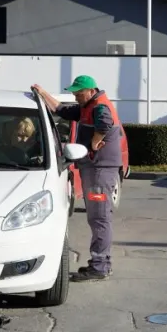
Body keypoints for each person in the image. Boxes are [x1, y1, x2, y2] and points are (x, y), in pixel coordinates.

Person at [32, 76, 122, 282]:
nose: (76, 97)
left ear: (91, 91)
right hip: (96, 168)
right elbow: (61, 110)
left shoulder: (99, 107)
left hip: (100, 170)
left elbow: (104, 124)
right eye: (74, 93)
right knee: (98, 217)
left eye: (79, 93)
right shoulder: (87, 106)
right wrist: (43, 93)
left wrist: (95, 142)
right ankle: (100, 264)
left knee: (99, 218)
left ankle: (99, 267)